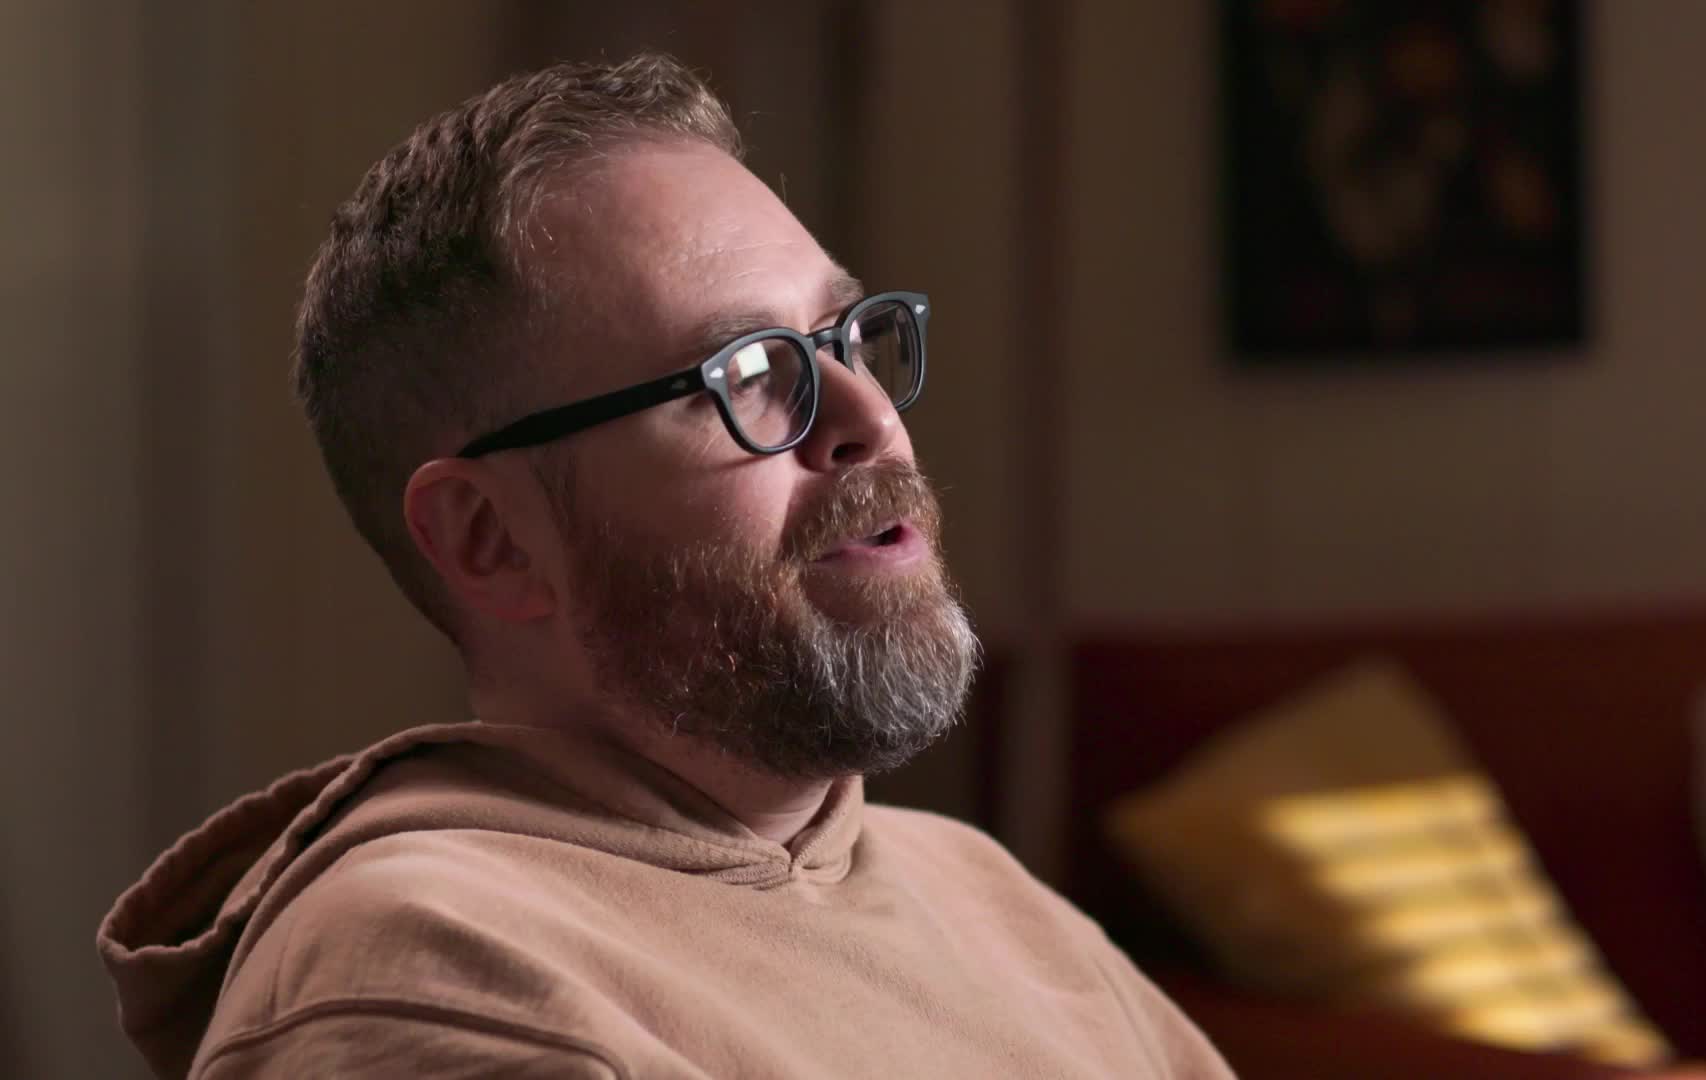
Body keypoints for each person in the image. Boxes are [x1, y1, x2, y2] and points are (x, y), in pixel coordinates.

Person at [97, 53, 1232, 1079]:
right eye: (746, 373)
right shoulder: (440, 975)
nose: (870, 420)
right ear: (493, 539)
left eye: (845, 337)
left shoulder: (989, 898)